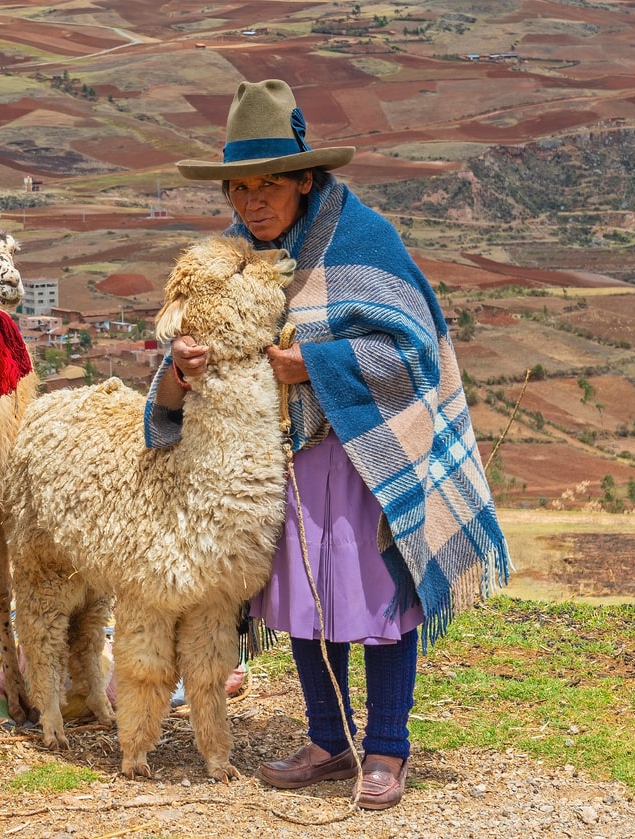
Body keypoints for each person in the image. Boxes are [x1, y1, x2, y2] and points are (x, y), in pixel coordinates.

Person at [146, 79, 510, 809]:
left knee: (375, 600)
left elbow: (410, 355)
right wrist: (179, 372)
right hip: (278, 461)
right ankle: (327, 738)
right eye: (238, 190)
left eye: (267, 187)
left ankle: (385, 749)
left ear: (304, 179)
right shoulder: (233, 258)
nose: (251, 204)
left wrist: (312, 363)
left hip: (363, 454)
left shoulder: (363, 239)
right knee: (305, 601)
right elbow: (194, 344)